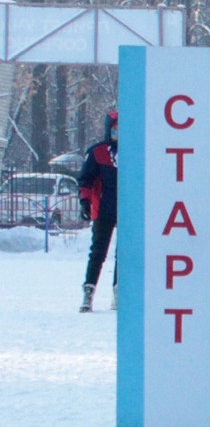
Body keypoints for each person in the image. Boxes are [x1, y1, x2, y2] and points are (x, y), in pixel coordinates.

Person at [77, 110, 119, 312]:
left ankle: (119, 292)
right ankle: (89, 290)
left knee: (125, 253)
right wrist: (85, 201)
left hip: (128, 211)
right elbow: (85, 179)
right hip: (103, 209)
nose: (119, 133)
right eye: (115, 129)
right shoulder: (98, 152)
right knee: (98, 252)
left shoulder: (137, 152)